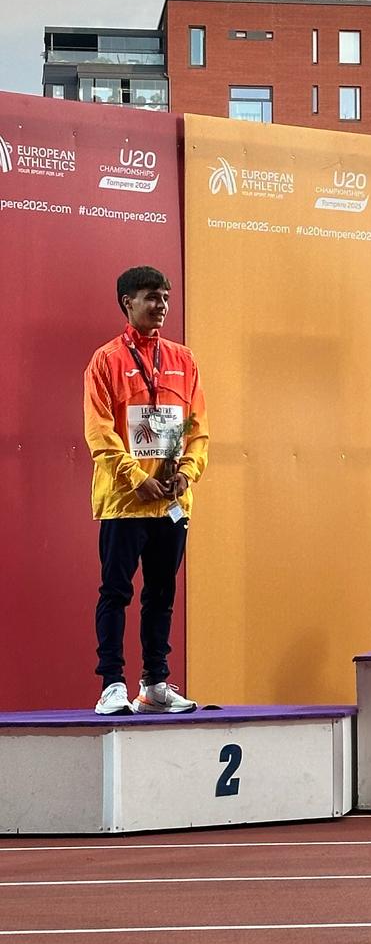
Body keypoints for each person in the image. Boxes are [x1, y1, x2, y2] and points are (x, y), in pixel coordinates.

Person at [84, 266, 209, 714]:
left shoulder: (183, 360)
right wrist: (138, 479)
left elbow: (197, 428)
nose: (161, 305)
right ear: (128, 302)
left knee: (162, 594)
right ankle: (112, 684)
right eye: (152, 297)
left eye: (166, 297)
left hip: (171, 503)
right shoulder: (105, 361)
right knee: (116, 592)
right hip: (125, 502)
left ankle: (155, 683)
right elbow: (100, 434)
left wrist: (187, 473)